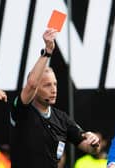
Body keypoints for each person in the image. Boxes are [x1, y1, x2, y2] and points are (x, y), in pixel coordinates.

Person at [10, 28, 100, 168]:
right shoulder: (22, 111)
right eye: (47, 85)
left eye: (55, 84)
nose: (53, 89)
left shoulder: (62, 119)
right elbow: (32, 84)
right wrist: (47, 51)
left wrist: (93, 142)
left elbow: (89, 147)